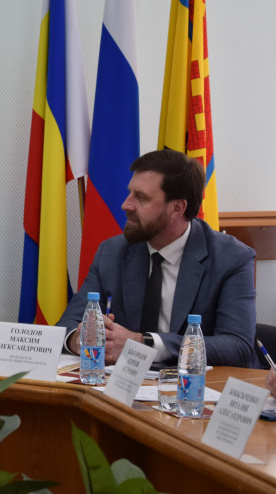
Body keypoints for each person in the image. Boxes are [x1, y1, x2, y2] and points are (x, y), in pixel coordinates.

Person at [56, 149, 257, 368]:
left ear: (177, 208)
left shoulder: (232, 259)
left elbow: (237, 346)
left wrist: (143, 343)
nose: (126, 205)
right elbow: (68, 324)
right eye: (130, 193)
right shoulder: (112, 252)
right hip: (121, 384)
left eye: (141, 198)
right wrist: (79, 338)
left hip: (195, 384)